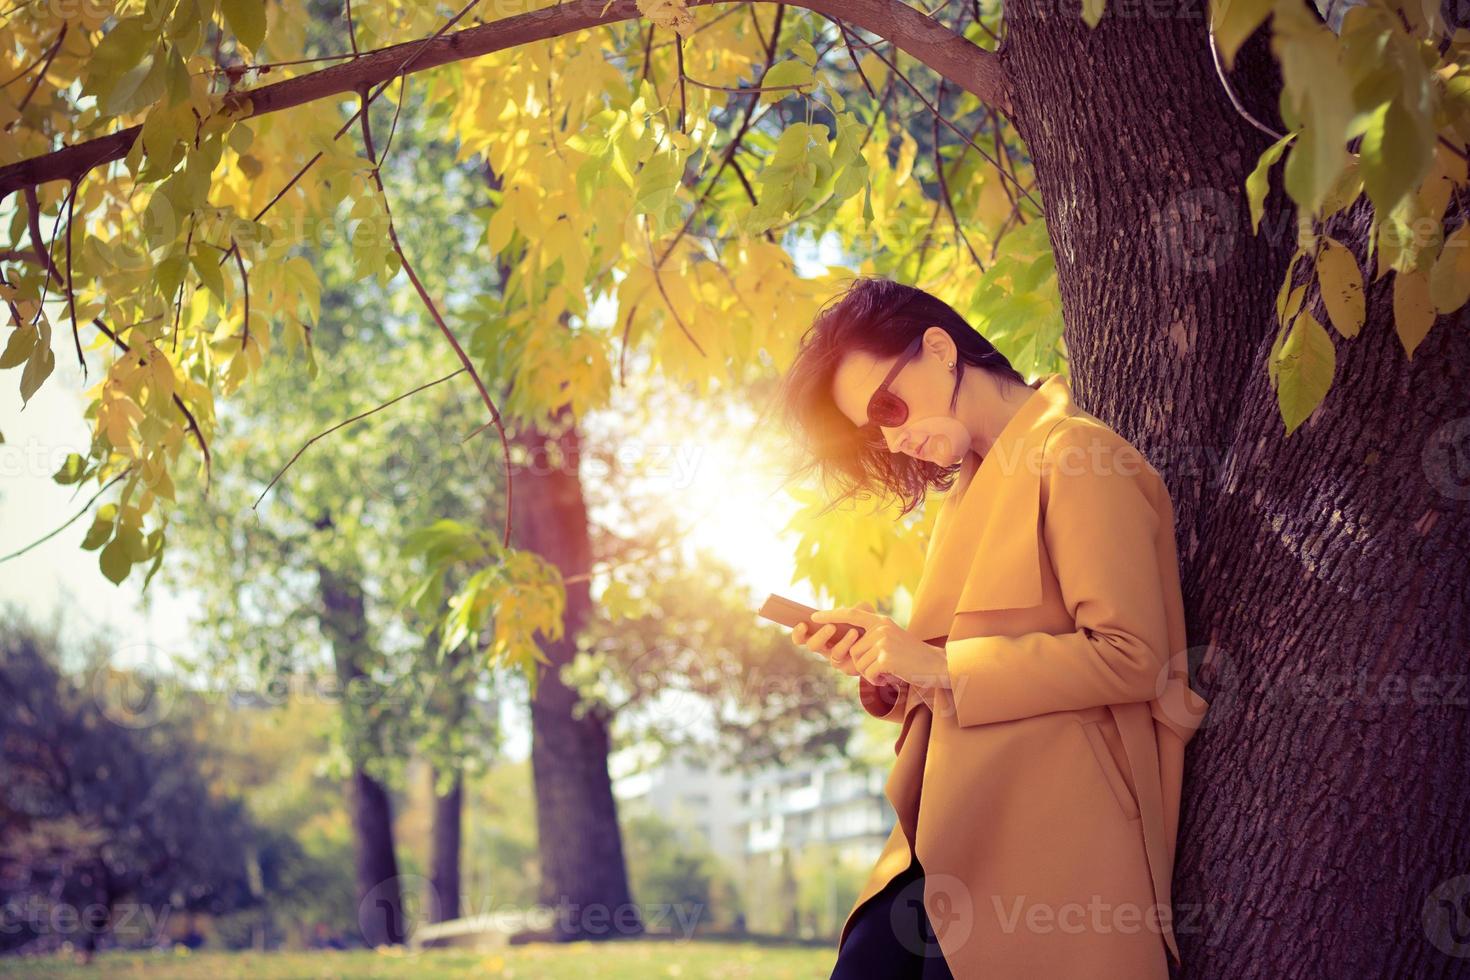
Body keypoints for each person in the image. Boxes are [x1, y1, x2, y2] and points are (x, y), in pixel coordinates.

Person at [774, 278, 1209, 979]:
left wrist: (937, 668)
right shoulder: (965, 494)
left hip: (1048, 842)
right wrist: (891, 671)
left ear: (940, 350)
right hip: (941, 834)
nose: (891, 435)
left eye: (888, 405)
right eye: (871, 428)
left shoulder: (1075, 454)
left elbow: (1135, 658)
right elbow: (962, 668)